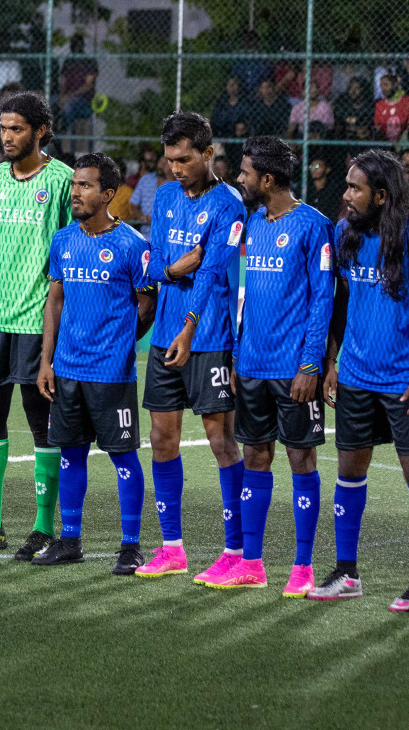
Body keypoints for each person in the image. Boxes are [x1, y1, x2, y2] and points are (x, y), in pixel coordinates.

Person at [0, 92, 74, 558]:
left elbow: (69, 251)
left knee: (40, 422)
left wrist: (60, 323)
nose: (7, 137)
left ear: (41, 130)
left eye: (17, 129)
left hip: (35, 319)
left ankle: (43, 527)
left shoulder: (64, 180)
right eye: (3, 128)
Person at [134, 112, 247, 582]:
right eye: (169, 160)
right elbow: (155, 265)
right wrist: (178, 269)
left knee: (222, 440)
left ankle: (237, 552)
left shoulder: (229, 204)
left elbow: (214, 272)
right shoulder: (162, 197)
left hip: (209, 340)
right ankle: (172, 548)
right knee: (162, 438)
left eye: (184, 159)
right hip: (163, 337)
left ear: (207, 153)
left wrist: (189, 325)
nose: (176, 169)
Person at [34, 153, 156, 571]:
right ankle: (70, 540)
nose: (76, 194)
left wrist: (121, 343)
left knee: (123, 456)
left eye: (85, 186)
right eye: (73, 186)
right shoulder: (63, 239)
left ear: (108, 194)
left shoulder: (132, 245)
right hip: (66, 368)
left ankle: (130, 545)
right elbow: (55, 300)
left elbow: (146, 304)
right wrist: (46, 360)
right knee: (70, 455)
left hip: (111, 372)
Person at [225, 135, 334, 596]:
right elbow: (247, 295)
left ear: (267, 179)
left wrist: (311, 365)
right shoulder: (253, 222)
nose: (240, 179)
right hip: (252, 363)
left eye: (246, 173)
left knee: (300, 458)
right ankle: (251, 562)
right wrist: (237, 353)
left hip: (293, 371)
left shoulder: (314, 226)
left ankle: (303, 566)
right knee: (255, 456)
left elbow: (322, 299)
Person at [312, 151, 409, 606]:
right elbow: (338, 302)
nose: (346, 195)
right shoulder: (344, 232)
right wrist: (333, 361)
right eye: (347, 186)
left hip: (401, 378)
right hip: (355, 375)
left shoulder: (405, 238)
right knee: (350, 471)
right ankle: (346, 573)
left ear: (382, 196)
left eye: (355, 188)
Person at [373, 73, 408, 142]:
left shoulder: (406, 102)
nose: (383, 89)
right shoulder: (380, 105)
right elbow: (378, 127)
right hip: (385, 143)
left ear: (395, 85)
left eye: (386, 85)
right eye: (381, 86)